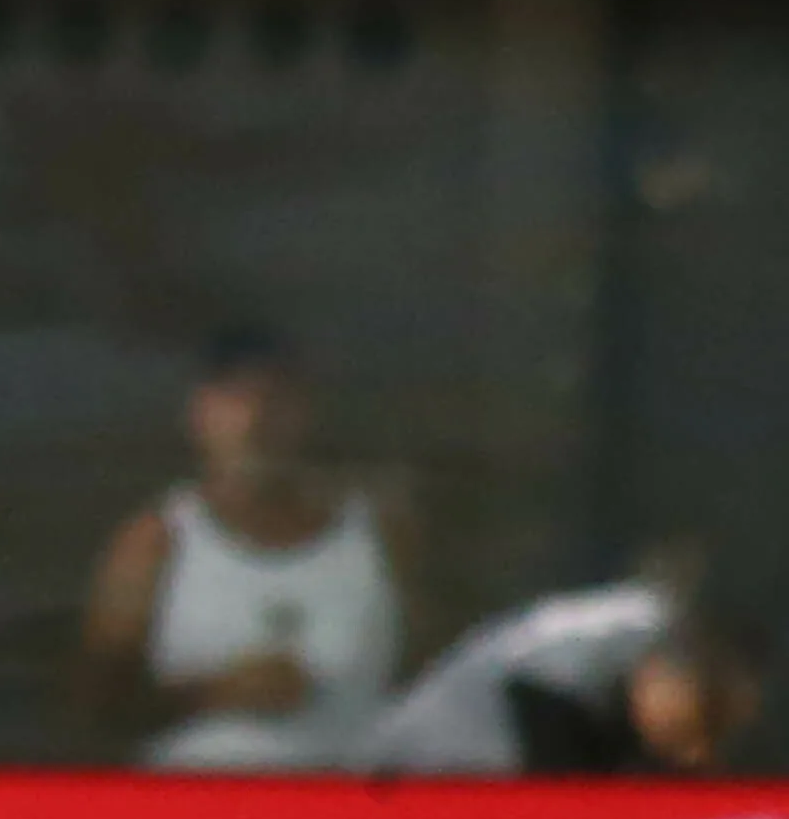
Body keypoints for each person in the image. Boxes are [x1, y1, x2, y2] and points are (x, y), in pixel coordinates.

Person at [79, 328, 411, 770]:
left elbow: (438, 684)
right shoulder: (155, 542)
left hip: (352, 816)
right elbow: (95, 711)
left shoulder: (380, 535)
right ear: (199, 414)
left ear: (307, 413)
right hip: (197, 815)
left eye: (276, 399)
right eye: (235, 398)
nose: (256, 419)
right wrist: (214, 694)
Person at [363, 573, 764, 776]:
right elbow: (561, 787)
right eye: (702, 723)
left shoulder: (638, 643)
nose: (695, 753)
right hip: (410, 778)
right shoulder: (617, 632)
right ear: (667, 674)